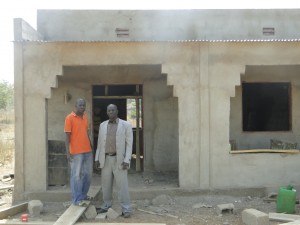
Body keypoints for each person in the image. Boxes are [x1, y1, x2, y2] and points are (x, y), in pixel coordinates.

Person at [95, 104, 133, 218]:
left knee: (122, 186)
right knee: (106, 185)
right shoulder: (102, 125)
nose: (110, 112)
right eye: (108, 110)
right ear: (107, 112)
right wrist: (97, 158)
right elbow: (100, 144)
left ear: (117, 111)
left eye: (113, 110)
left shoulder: (125, 125)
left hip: (119, 159)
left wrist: (127, 159)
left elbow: (129, 144)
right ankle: (106, 205)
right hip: (105, 158)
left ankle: (126, 209)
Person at [64, 98, 93, 206]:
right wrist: (68, 152)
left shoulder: (85, 117)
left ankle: (83, 196)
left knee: (88, 175)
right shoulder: (69, 118)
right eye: (80, 105)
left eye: (84, 105)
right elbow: (67, 136)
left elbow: (86, 132)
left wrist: (90, 144)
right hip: (76, 152)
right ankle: (77, 200)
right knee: (76, 176)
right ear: (75, 106)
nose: (82, 107)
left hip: (87, 151)